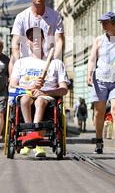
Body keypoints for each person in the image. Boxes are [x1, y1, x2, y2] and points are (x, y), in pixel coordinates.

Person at [10, 27, 70, 157]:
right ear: (28, 43)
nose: (35, 40)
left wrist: (44, 92)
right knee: (25, 99)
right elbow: (12, 84)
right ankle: (29, 135)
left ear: (43, 40)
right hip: (26, 93)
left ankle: (35, 141)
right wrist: (29, 88)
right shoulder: (20, 62)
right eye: (31, 38)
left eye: (38, 37)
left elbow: (64, 89)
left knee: (40, 101)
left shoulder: (56, 63)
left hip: (47, 97)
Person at [87, 12, 115, 156]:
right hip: (100, 80)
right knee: (99, 112)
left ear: (114, 23)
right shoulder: (99, 40)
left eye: (106, 22)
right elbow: (92, 59)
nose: (103, 25)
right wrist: (89, 74)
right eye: (102, 22)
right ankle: (99, 141)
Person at [9, 0, 64, 75]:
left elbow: (59, 41)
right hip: (26, 65)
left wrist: (54, 61)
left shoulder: (55, 16)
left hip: (47, 63)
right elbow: (15, 43)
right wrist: (18, 64)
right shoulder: (21, 17)